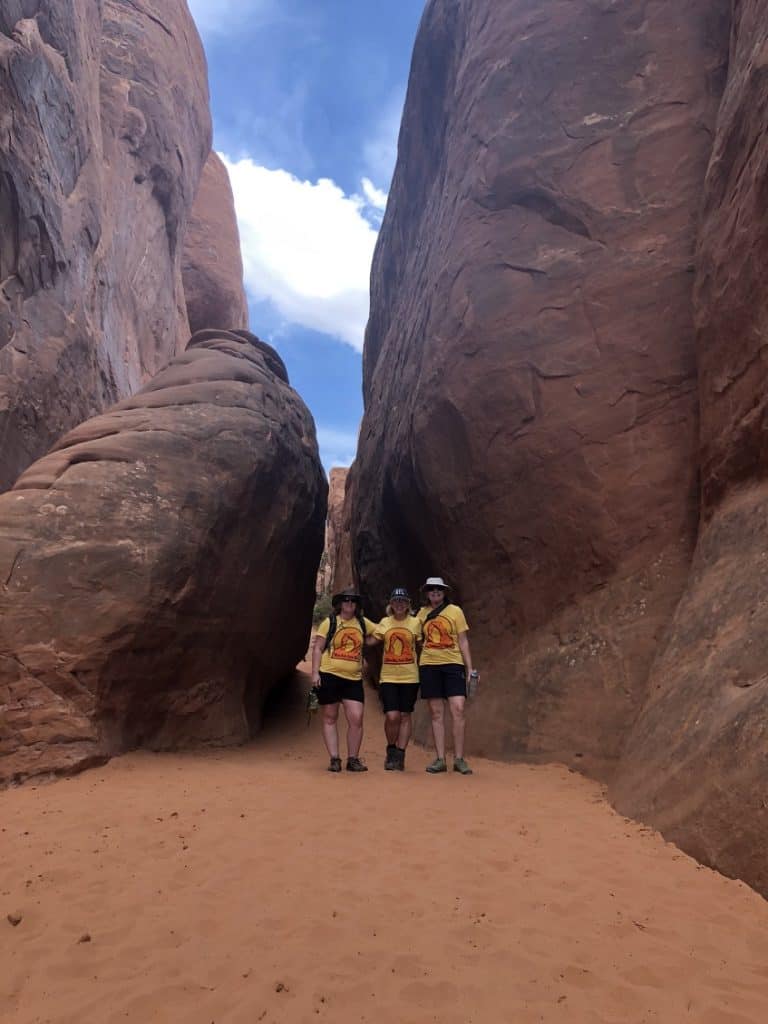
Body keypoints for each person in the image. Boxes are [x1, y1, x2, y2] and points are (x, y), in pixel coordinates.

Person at [311, 589, 377, 772]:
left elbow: (380, 633)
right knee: (330, 717)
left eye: (353, 601)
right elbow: (318, 648)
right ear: (340, 604)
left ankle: (353, 759)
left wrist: (367, 641)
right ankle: (334, 758)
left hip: (353, 679)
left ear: (356, 605)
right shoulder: (329, 622)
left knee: (356, 718)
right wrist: (315, 673)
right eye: (346, 600)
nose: (349, 603)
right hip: (329, 675)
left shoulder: (362, 623)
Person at [417, 576, 477, 775]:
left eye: (439, 589)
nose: (435, 592)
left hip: (453, 665)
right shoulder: (421, 614)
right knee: (436, 713)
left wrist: (470, 669)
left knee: (458, 709)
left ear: (444, 592)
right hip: (429, 665)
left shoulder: (455, 611)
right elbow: (414, 637)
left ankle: (459, 759)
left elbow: (463, 641)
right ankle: (440, 759)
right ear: (427, 593)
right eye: (432, 589)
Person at [372, 587, 422, 771]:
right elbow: (372, 640)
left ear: (408, 604)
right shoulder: (385, 622)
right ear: (391, 604)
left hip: (410, 676)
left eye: (402, 601)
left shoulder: (416, 623)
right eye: (396, 601)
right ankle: (391, 748)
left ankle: (400, 755)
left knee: (405, 715)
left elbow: (423, 643)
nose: (399, 604)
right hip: (389, 677)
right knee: (392, 716)